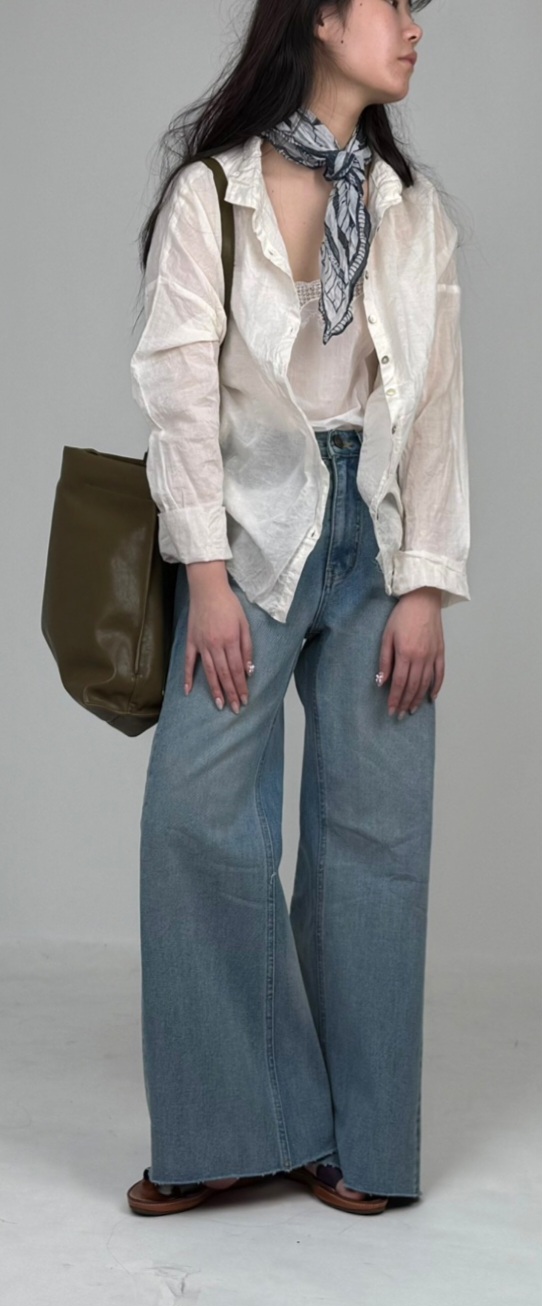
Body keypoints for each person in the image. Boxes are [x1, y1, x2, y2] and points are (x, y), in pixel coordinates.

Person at [126, 0, 470, 1218]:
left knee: (375, 835)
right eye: (392, 3)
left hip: (375, 533)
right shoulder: (211, 195)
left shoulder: (409, 211)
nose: (413, 27)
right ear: (321, 19)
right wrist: (203, 573)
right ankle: (234, 1126)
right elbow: (177, 388)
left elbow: (433, 409)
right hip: (250, 531)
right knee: (195, 817)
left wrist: (425, 585)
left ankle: (359, 1144)